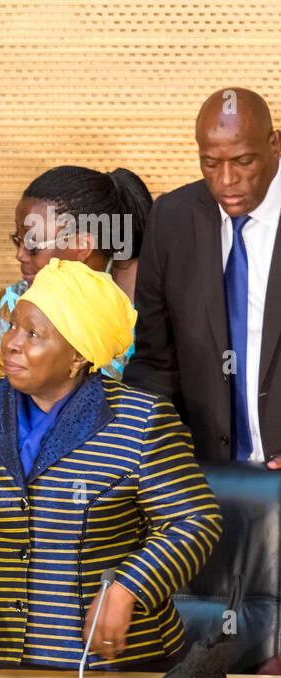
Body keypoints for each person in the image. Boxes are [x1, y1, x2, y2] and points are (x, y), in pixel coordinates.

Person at [0, 258, 221, 670]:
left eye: (33, 334)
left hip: (111, 665)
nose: (10, 343)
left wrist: (127, 587)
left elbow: (195, 520)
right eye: (12, 326)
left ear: (77, 356)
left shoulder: (141, 420)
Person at [126, 88, 281, 469]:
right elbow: (154, 363)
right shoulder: (172, 219)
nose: (226, 180)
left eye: (243, 161)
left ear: (275, 145)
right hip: (201, 477)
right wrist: (160, 453)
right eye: (210, 163)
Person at [0, 166, 152, 385]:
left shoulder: (153, 309)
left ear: (82, 247)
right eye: (17, 240)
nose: (19, 255)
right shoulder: (2, 312)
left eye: (33, 244)